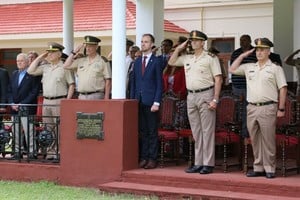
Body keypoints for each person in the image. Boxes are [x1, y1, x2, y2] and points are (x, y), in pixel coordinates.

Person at [229, 38, 287, 179]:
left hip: (268, 107)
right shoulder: (250, 67)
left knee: (267, 139)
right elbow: (232, 69)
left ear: (268, 51)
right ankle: (258, 167)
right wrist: (243, 55)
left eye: (262, 50)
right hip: (252, 107)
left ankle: (270, 168)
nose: (259, 52)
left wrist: (281, 108)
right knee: (254, 139)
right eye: (257, 50)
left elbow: (283, 88)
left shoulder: (275, 68)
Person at [168, 30, 223, 174]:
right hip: (191, 96)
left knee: (207, 131)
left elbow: (218, 79)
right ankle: (198, 162)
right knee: (196, 132)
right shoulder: (187, 57)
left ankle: (208, 163)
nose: (193, 43)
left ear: (202, 42)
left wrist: (215, 99)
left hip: (206, 94)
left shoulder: (210, 58)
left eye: (196, 40)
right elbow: (171, 61)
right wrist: (179, 48)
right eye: (191, 40)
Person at [27, 42, 75, 160]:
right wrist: (40, 57)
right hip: (46, 101)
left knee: (59, 128)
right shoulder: (46, 67)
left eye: (52, 52)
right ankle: (51, 152)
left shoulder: (64, 67)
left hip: (59, 100)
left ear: (59, 54)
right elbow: (30, 71)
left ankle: (60, 152)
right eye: (49, 52)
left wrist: (67, 102)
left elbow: (71, 85)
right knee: (48, 128)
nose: (50, 55)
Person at [130, 33, 163, 169]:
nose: (143, 44)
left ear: (151, 44)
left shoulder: (156, 61)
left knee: (151, 131)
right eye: (142, 41)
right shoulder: (137, 62)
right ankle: (143, 157)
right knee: (142, 131)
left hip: (151, 102)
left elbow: (159, 84)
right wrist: (132, 101)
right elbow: (133, 83)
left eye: (146, 42)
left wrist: (157, 102)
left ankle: (152, 158)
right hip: (139, 101)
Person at [8, 53, 41, 159]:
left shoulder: (33, 74)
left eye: (21, 61)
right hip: (14, 108)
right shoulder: (14, 74)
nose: (19, 63)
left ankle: (32, 152)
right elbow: (9, 90)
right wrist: (12, 103)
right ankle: (18, 152)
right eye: (17, 61)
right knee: (16, 131)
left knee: (29, 131)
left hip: (27, 107)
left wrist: (22, 103)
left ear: (27, 62)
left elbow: (34, 92)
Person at [64, 35, 112, 100]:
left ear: (96, 47)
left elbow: (108, 81)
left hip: (96, 95)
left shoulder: (102, 61)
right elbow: (66, 66)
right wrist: (74, 52)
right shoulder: (81, 61)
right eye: (86, 46)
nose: (87, 48)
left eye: (90, 46)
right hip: (81, 96)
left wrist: (106, 98)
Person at [230, 35, 257, 139]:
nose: (242, 42)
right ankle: (236, 134)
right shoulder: (236, 53)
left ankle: (245, 134)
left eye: (244, 40)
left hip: (249, 87)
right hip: (236, 86)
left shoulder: (254, 52)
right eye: (241, 40)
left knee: (247, 111)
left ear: (249, 41)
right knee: (236, 110)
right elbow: (233, 67)